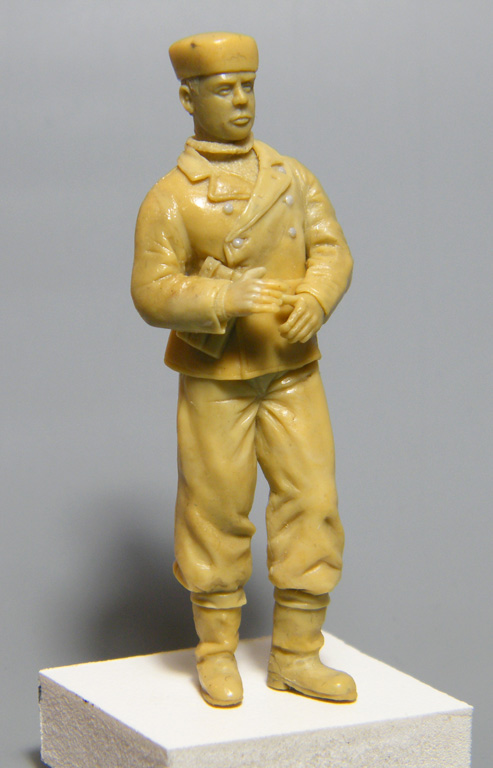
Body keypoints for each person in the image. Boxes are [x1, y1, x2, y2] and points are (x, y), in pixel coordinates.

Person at [131, 32, 356, 707]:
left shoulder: (291, 178)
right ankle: (216, 652)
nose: (239, 100)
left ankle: (297, 654)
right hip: (216, 379)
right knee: (214, 510)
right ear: (188, 97)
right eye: (223, 88)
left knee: (312, 503)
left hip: (291, 368)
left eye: (247, 86)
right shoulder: (172, 198)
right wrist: (222, 298)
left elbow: (332, 250)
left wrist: (315, 297)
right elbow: (150, 291)